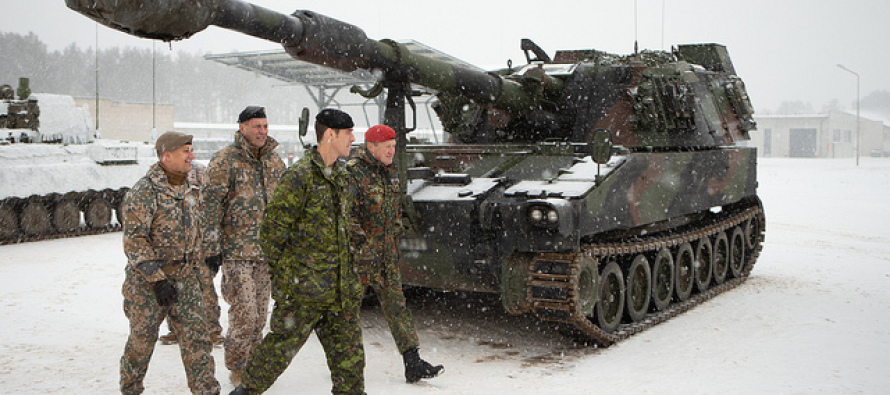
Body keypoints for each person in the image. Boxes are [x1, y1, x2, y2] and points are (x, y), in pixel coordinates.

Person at [230, 108, 365, 395]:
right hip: (304, 292)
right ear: (330, 134)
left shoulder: (341, 176)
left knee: (351, 367)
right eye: (348, 133)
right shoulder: (300, 177)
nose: (353, 139)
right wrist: (294, 279)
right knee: (276, 354)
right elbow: (271, 234)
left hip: (340, 293)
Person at [119, 131, 220, 395]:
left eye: (191, 150)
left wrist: (208, 255)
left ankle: (207, 390)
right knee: (141, 344)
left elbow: (194, 231)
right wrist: (158, 279)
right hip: (148, 285)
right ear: (166, 156)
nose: (192, 156)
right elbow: (135, 242)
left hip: (186, 280)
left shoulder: (188, 189)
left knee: (198, 341)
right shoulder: (143, 192)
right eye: (186, 151)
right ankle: (130, 389)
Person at [347, 124, 444, 383]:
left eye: (393, 146)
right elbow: (346, 217)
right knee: (346, 313)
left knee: (397, 308)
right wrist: (362, 246)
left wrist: (396, 231)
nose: (392, 151)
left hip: (387, 256)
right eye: (387, 147)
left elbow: (395, 209)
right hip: (359, 260)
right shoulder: (352, 174)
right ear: (371, 147)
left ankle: (412, 361)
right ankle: (346, 366)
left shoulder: (389, 173)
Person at [202, 106, 286, 386]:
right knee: (245, 314)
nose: (262, 131)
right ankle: (237, 366)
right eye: (256, 126)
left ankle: (254, 364)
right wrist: (212, 247)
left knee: (261, 315)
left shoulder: (274, 161)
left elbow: (284, 203)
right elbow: (210, 204)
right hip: (237, 252)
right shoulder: (226, 160)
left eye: (265, 126)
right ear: (242, 128)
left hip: (266, 253)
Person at [159, 161, 225, 347]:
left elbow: (213, 224)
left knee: (206, 290)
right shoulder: (172, 194)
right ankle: (176, 329)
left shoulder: (207, 199)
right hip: (178, 250)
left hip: (202, 250)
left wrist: (214, 250)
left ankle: (212, 330)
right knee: (174, 291)